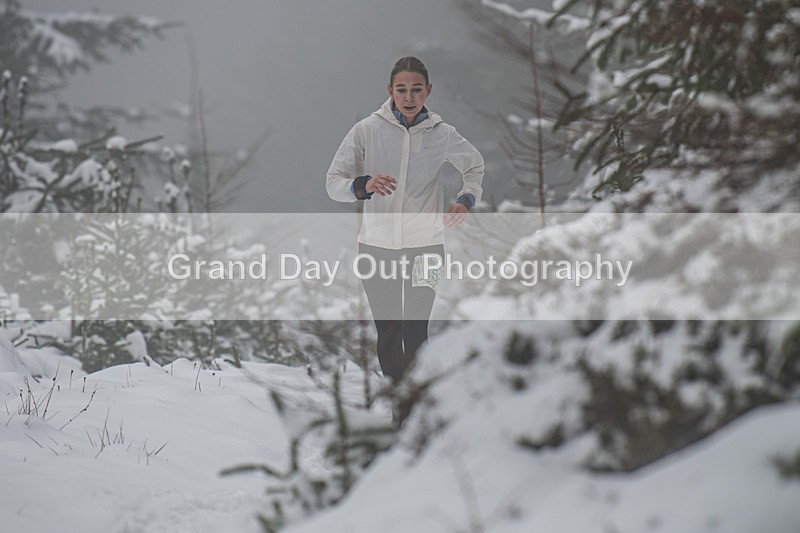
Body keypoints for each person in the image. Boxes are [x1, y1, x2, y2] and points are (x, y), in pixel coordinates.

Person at [326, 56, 484, 384]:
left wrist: (466, 200)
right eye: (401, 90)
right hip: (377, 248)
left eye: (415, 90)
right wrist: (363, 186)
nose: (408, 97)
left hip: (426, 249)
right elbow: (333, 183)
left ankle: (414, 407)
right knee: (388, 334)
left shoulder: (442, 134)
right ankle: (399, 403)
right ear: (390, 91)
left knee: (415, 334)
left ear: (428, 92)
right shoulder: (367, 130)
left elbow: (474, 166)